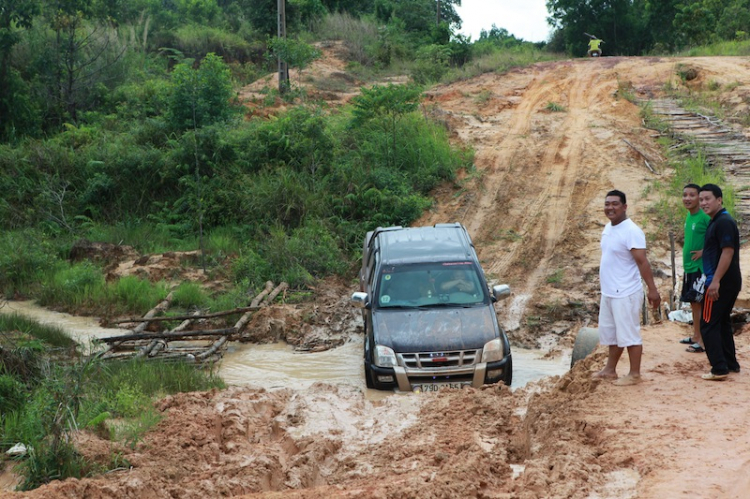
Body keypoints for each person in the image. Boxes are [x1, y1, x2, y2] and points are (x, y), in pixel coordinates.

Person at [594, 190, 661, 385]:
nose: (610, 208)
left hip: (626, 292)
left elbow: (642, 262)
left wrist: (653, 289)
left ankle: (634, 374)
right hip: (609, 291)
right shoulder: (608, 228)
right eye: (607, 204)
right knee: (612, 333)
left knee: (629, 333)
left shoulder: (632, 231)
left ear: (624, 207)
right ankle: (610, 369)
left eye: (615, 204)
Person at [697, 184, 741, 381]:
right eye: (701, 200)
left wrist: (715, 281)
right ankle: (730, 363)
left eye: (707, 199)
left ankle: (719, 368)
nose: (704, 203)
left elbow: (728, 251)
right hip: (728, 281)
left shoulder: (723, 221)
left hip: (720, 282)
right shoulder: (717, 221)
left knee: (707, 323)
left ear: (719, 200)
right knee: (721, 322)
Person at [678, 184, 710, 353]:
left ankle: (703, 341)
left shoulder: (704, 217)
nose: (687, 198)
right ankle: (696, 336)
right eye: (685, 195)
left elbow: (717, 238)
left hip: (699, 268)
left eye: (692, 195)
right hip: (689, 267)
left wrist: (704, 251)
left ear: (699, 197)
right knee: (693, 302)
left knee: (700, 303)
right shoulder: (689, 216)